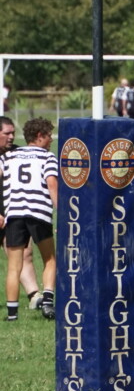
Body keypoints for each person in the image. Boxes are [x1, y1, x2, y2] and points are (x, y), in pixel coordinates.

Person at [1, 118, 58, 321]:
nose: (52, 139)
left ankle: (12, 314)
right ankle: (48, 302)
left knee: (14, 267)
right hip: (38, 213)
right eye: (49, 135)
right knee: (49, 259)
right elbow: (52, 185)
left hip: (14, 213)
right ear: (39, 136)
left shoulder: (8, 156)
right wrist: (62, 214)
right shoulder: (48, 157)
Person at [0, 117, 44, 310]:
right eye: (6, 133)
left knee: (24, 253)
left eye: (13, 133)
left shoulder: (17, 153)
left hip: (12, 215)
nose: (11, 137)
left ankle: (35, 296)